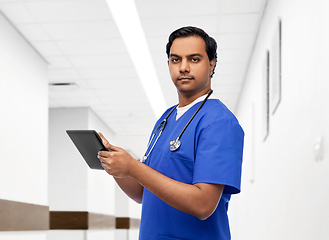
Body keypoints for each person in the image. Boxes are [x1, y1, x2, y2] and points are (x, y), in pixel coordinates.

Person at [97, 26, 244, 240]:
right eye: (176, 60)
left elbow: (204, 204)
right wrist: (117, 168)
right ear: (168, 65)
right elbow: (142, 193)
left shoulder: (219, 122)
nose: (183, 67)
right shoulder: (165, 120)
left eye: (194, 59)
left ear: (211, 65)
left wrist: (133, 166)